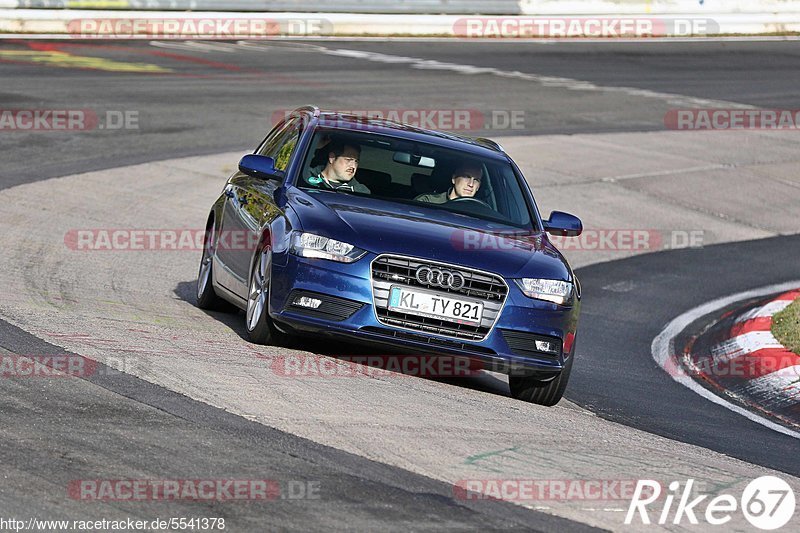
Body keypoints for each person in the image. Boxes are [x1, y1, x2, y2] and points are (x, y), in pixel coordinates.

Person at [305, 139, 370, 194]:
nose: (353, 166)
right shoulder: (305, 176)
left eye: (356, 161)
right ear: (332, 158)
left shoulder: (360, 192)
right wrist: (314, 147)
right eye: (348, 160)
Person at [414, 161, 483, 204]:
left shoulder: (481, 213)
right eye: (466, 177)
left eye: (476, 180)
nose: (471, 184)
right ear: (454, 179)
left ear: (478, 187)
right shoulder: (428, 201)